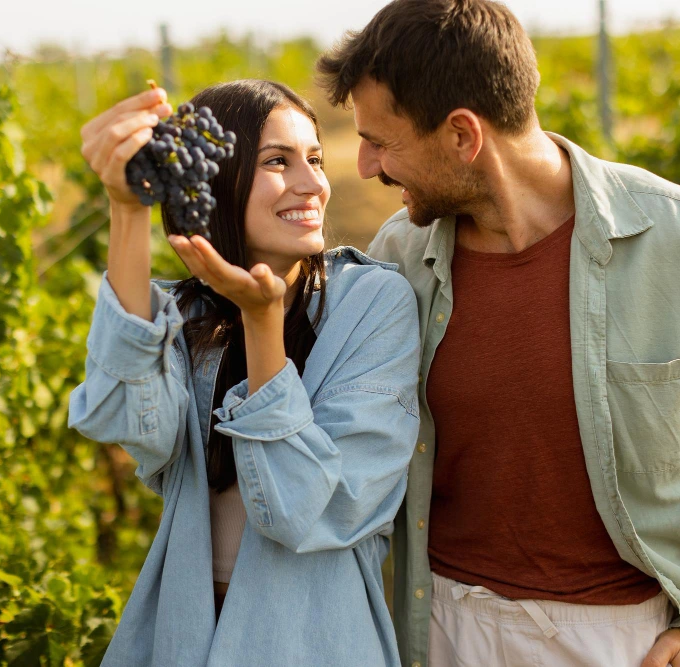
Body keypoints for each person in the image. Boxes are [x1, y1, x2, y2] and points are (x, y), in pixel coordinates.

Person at [315, 1, 680, 666]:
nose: (367, 166)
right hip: (443, 626)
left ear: (464, 136)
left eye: (382, 140)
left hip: (624, 638)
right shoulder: (398, 258)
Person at [68, 79, 421, 666]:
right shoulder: (192, 317)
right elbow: (128, 421)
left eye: (314, 158)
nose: (312, 183)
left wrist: (263, 324)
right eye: (278, 162)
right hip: (184, 636)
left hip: (314, 643)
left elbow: (298, 509)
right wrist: (127, 207)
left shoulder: (372, 304)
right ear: (217, 180)